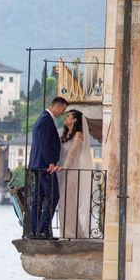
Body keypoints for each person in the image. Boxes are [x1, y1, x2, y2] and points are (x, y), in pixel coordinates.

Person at [28, 97, 68, 239]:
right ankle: (43, 229)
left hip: (38, 164)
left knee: (38, 198)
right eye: (63, 110)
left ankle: (34, 230)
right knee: (53, 195)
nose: (62, 113)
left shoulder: (42, 118)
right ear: (57, 106)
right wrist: (51, 162)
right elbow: (45, 143)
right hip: (44, 166)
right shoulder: (46, 120)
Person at [55, 109, 94, 238]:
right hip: (62, 171)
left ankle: (68, 233)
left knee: (68, 201)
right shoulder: (65, 134)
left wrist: (64, 167)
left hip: (71, 171)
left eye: (68, 116)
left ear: (75, 120)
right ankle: (69, 231)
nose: (65, 118)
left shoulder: (78, 135)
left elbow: (72, 154)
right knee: (63, 201)